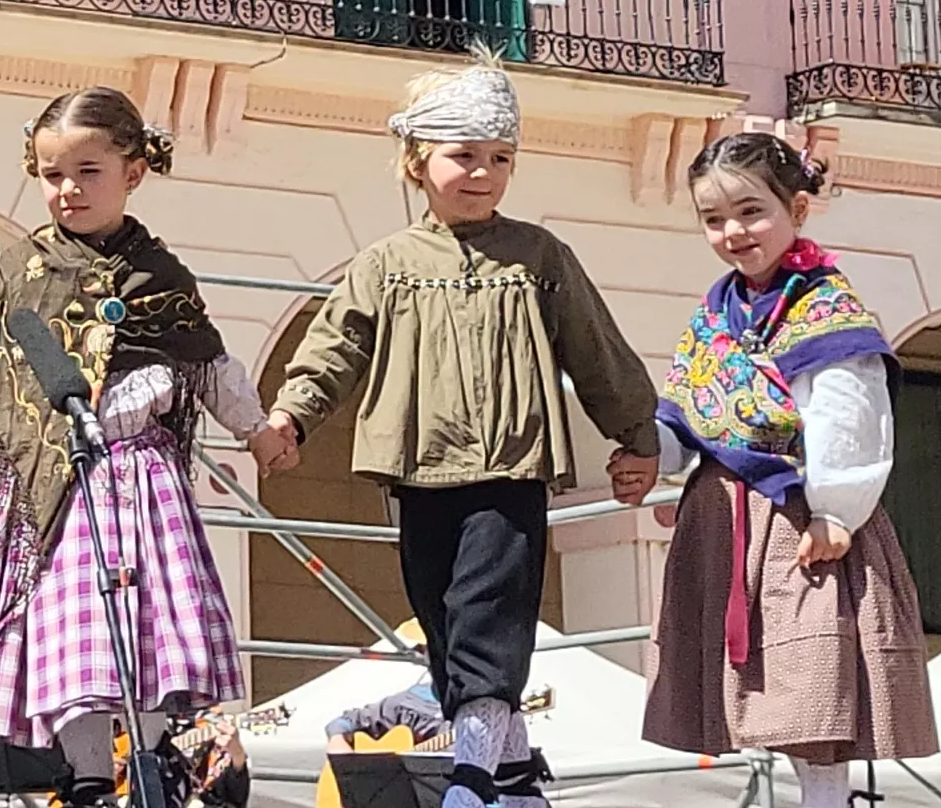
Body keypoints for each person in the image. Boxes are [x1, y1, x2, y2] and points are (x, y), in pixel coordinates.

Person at [0, 88, 287, 807]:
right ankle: (89, 779)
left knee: (134, 632)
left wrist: (257, 429)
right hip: (33, 484)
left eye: (87, 170)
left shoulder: (159, 274)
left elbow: (212, 363)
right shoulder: (20, 268)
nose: (66, 189)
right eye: (50, 173)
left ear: (133, 171)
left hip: (131, 480)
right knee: (67, 644)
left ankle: (151, 759)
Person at [265, 59, 663, 808]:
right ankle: (514, 777)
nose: (483, 172)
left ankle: (473, 778)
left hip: (510, 466)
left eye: (500, 157)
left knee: (490, 614)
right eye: (463, 155)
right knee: (443, 617)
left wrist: (637, 435)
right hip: (417, 470)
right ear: (418, 161)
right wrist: (292, 414)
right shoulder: (385, 263)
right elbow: (333, 345)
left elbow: (597, 348)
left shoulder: (539, 256)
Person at [640, 132, 936, 808]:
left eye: (750, 211)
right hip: (725, 517)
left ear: (797, 208)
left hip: (798, 515)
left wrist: (836, 507)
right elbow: (691, 414)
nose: (732, 231)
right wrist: (650, 454)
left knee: (812, 683)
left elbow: (847, 411)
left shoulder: (824, 307)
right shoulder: (716, 314)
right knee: (752, 690)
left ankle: (823, 802)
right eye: (713, 219)